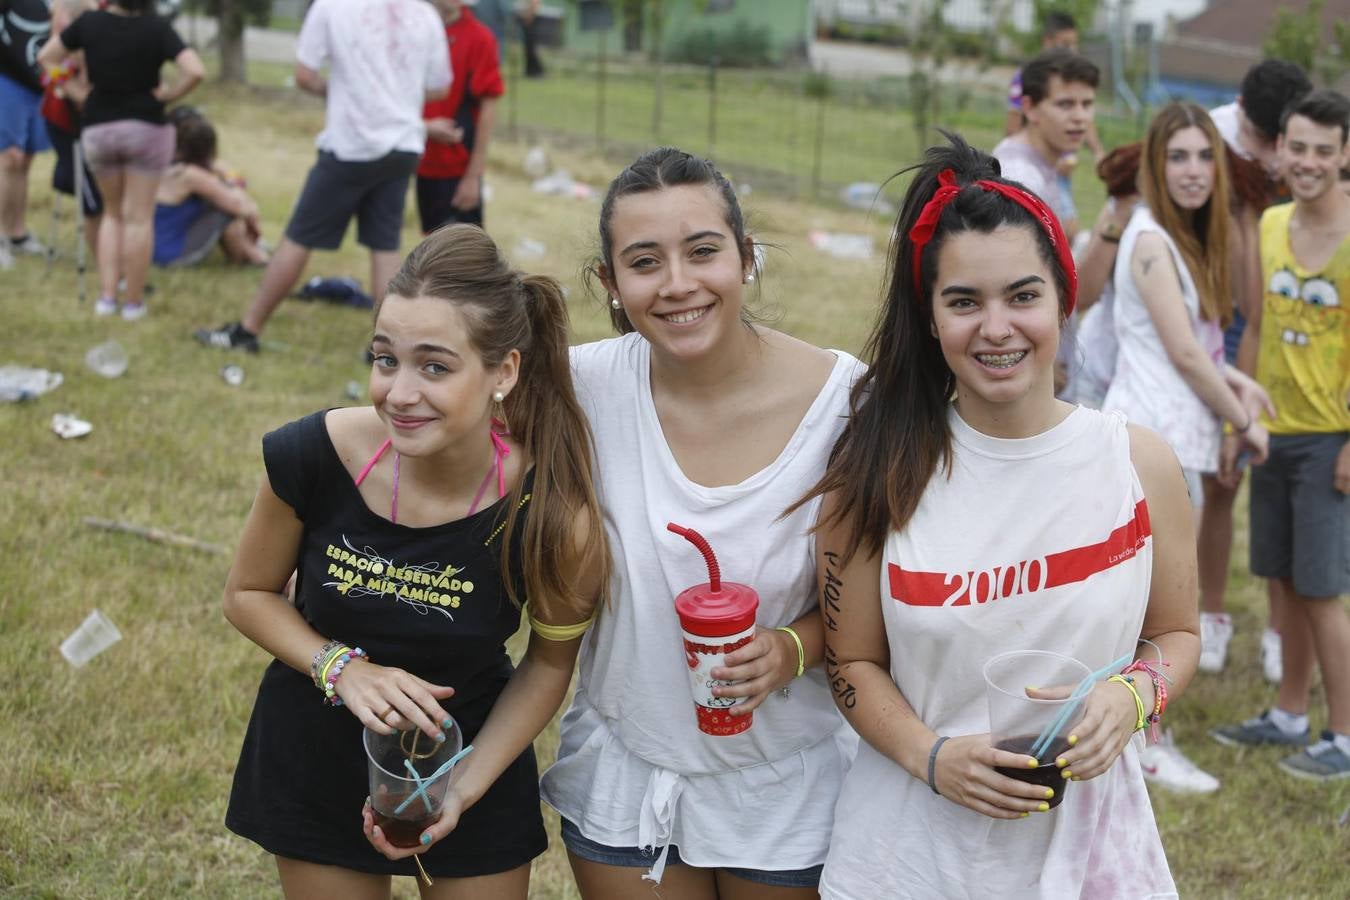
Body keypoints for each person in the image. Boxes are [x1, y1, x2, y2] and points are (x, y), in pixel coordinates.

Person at [800, 132, 1195, 898]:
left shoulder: (1138, 462)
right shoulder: (875, 473)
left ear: (1062, 297)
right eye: (963, 302)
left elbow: (1177, 633)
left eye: (1022, 295)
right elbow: (850, 664)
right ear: (931, 317)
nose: (997, 328)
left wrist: (1135, 693)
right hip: (912, 855)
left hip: (1090, 854)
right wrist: (931, 756)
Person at [222, 224, 609, 896]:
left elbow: (549, 663)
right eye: (384, 359)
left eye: (435, 366)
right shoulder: (310, 454)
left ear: (503, 372)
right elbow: (248, 594)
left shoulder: (549, 512)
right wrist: (342, 669)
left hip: (472, 759)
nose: (400, 393)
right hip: (317, 749)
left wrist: (463, 785)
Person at [539, 147, 862, 897]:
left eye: (704, 251)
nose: (679, 284)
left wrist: (789, 648)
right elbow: (441, 416)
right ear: (610, 283)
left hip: (788, 782)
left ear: (747, 259)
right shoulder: (580, 388)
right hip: (625, 773)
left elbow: (870, 610)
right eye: (645, 261)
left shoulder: (847, 405)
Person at [1101, 102, 1275, 793]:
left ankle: (1138, 741)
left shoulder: (1174, 240)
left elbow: (1189, 346)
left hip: (1173, 443)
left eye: (1205, 156)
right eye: (1179, 157)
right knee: (1158, 610)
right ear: (1155, 165)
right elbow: (1181, 352)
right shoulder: (1149, 241)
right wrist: (1243, 418)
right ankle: (1147, 749)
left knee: (1155, 604)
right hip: (1153, 446)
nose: (1194, 171)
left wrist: (1235, 379)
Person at [1211, 90, 1350, 782]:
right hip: (1273, 429)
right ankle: (1290, 715)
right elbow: (1255, 330)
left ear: (1346, 154)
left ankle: (1345, 738)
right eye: (1298, 147)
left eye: (1325, 150)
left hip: (1331, 437)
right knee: (1285, 580)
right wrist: (1242, 420)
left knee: (1324, 590)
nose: (1308, 162)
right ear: (1279, 149)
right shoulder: (1267, 225)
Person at [195, 0, 450, 353]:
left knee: (299, 237)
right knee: (385, 246)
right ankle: (388, 351)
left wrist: (343, 90)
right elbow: (439, 86)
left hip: (350, 144)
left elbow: (304, 73)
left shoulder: (333, 6)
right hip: (402, 145)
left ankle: (247, 330)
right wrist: (394, 94)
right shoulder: (424, 15)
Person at [1197, 60, 1311, 681]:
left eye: (1281, 140)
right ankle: (1212, 615)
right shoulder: (1209, 136)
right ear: (1238, 106)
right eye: (1263, 136)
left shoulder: (1306, 149)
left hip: (1289, 317)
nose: (1272, 152)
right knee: (1221, 480)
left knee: (1281, 479)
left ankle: (1278, 630)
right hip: (1226, 319)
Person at [38, 0, 203, 320]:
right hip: (147, 128)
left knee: (111, 215)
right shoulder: (158, 29)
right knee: (139, 218)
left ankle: (106, 297)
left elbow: (47, 58)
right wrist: (170, 94)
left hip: (99, 129)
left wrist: (71, 89)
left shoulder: (90, 24)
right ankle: (133, 302)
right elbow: (195, 70)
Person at [417, 0, 503, 234]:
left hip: (455, 168)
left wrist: (472, 178)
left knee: (462, 257)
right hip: (415, 162)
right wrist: (422, 127)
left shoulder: (479, 38)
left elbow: (488, 109)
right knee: (430, 249)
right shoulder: (412, 29)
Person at [993, 49, 1098, 239]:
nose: (1080, 117)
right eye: (1065, 104)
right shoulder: (1021, 179)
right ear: (1029, 108)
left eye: (1087, 104)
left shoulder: (1043, 162)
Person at [153, 112, 268, 267]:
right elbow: (240, 206)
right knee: (225, 210)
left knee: (222, 201)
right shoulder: (191, 175)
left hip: (153, 248)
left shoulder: (168, 167)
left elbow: (239, 183)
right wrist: (253, 223)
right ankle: (255, 257)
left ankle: (253, 250)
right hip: (170, 254)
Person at [40, 0, 102, 260]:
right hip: (65, 125)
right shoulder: (64, 47)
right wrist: (75, 87)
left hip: (91, 127)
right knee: (93, 202)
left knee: (102, 196)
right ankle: (104, 261)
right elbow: (49, 68)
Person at [0, 0, 52, 263]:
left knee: (25, 161)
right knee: (9, 157)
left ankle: (16, 234)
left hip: (39, 85)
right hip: (6, 80)